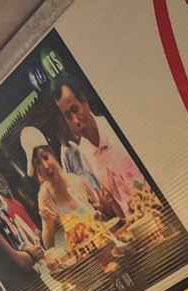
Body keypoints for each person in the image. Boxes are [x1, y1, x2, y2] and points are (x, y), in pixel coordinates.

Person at [52, 76, 145, 219]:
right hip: (133, 222)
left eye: (75, 109)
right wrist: (106, 209)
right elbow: (112, 200)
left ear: (84, 102)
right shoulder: (84, 152)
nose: (75, 121)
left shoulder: (114, 127)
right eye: (68, 116)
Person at [18, 126, 115, 253]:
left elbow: (101, 215)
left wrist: (104, 207)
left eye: (45, 157)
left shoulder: (77, 180)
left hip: (105, 244)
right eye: (38, 163)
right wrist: (48, 223)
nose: (45, 166)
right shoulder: (44, 196)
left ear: (52, 154)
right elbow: (49, 246)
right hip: (83, 258)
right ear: (36, 169)